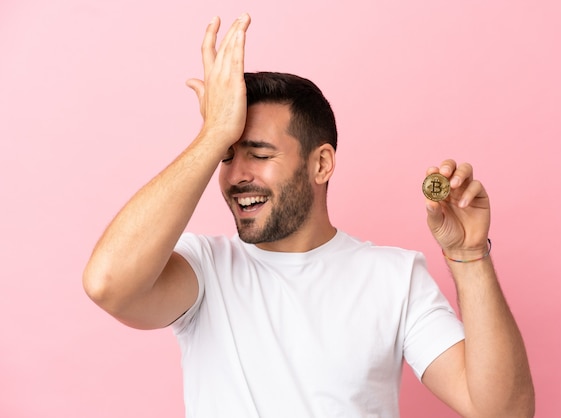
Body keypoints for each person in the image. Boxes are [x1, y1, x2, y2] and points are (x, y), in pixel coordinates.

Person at [83, 13, 534, 418]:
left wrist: (469, 255)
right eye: (226, 156)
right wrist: (212, 132)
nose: (236, 175)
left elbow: (504, 412)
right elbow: (108, 284)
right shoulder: (202, 271)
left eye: (258, 154)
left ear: (321, 164)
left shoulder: (394, 277)